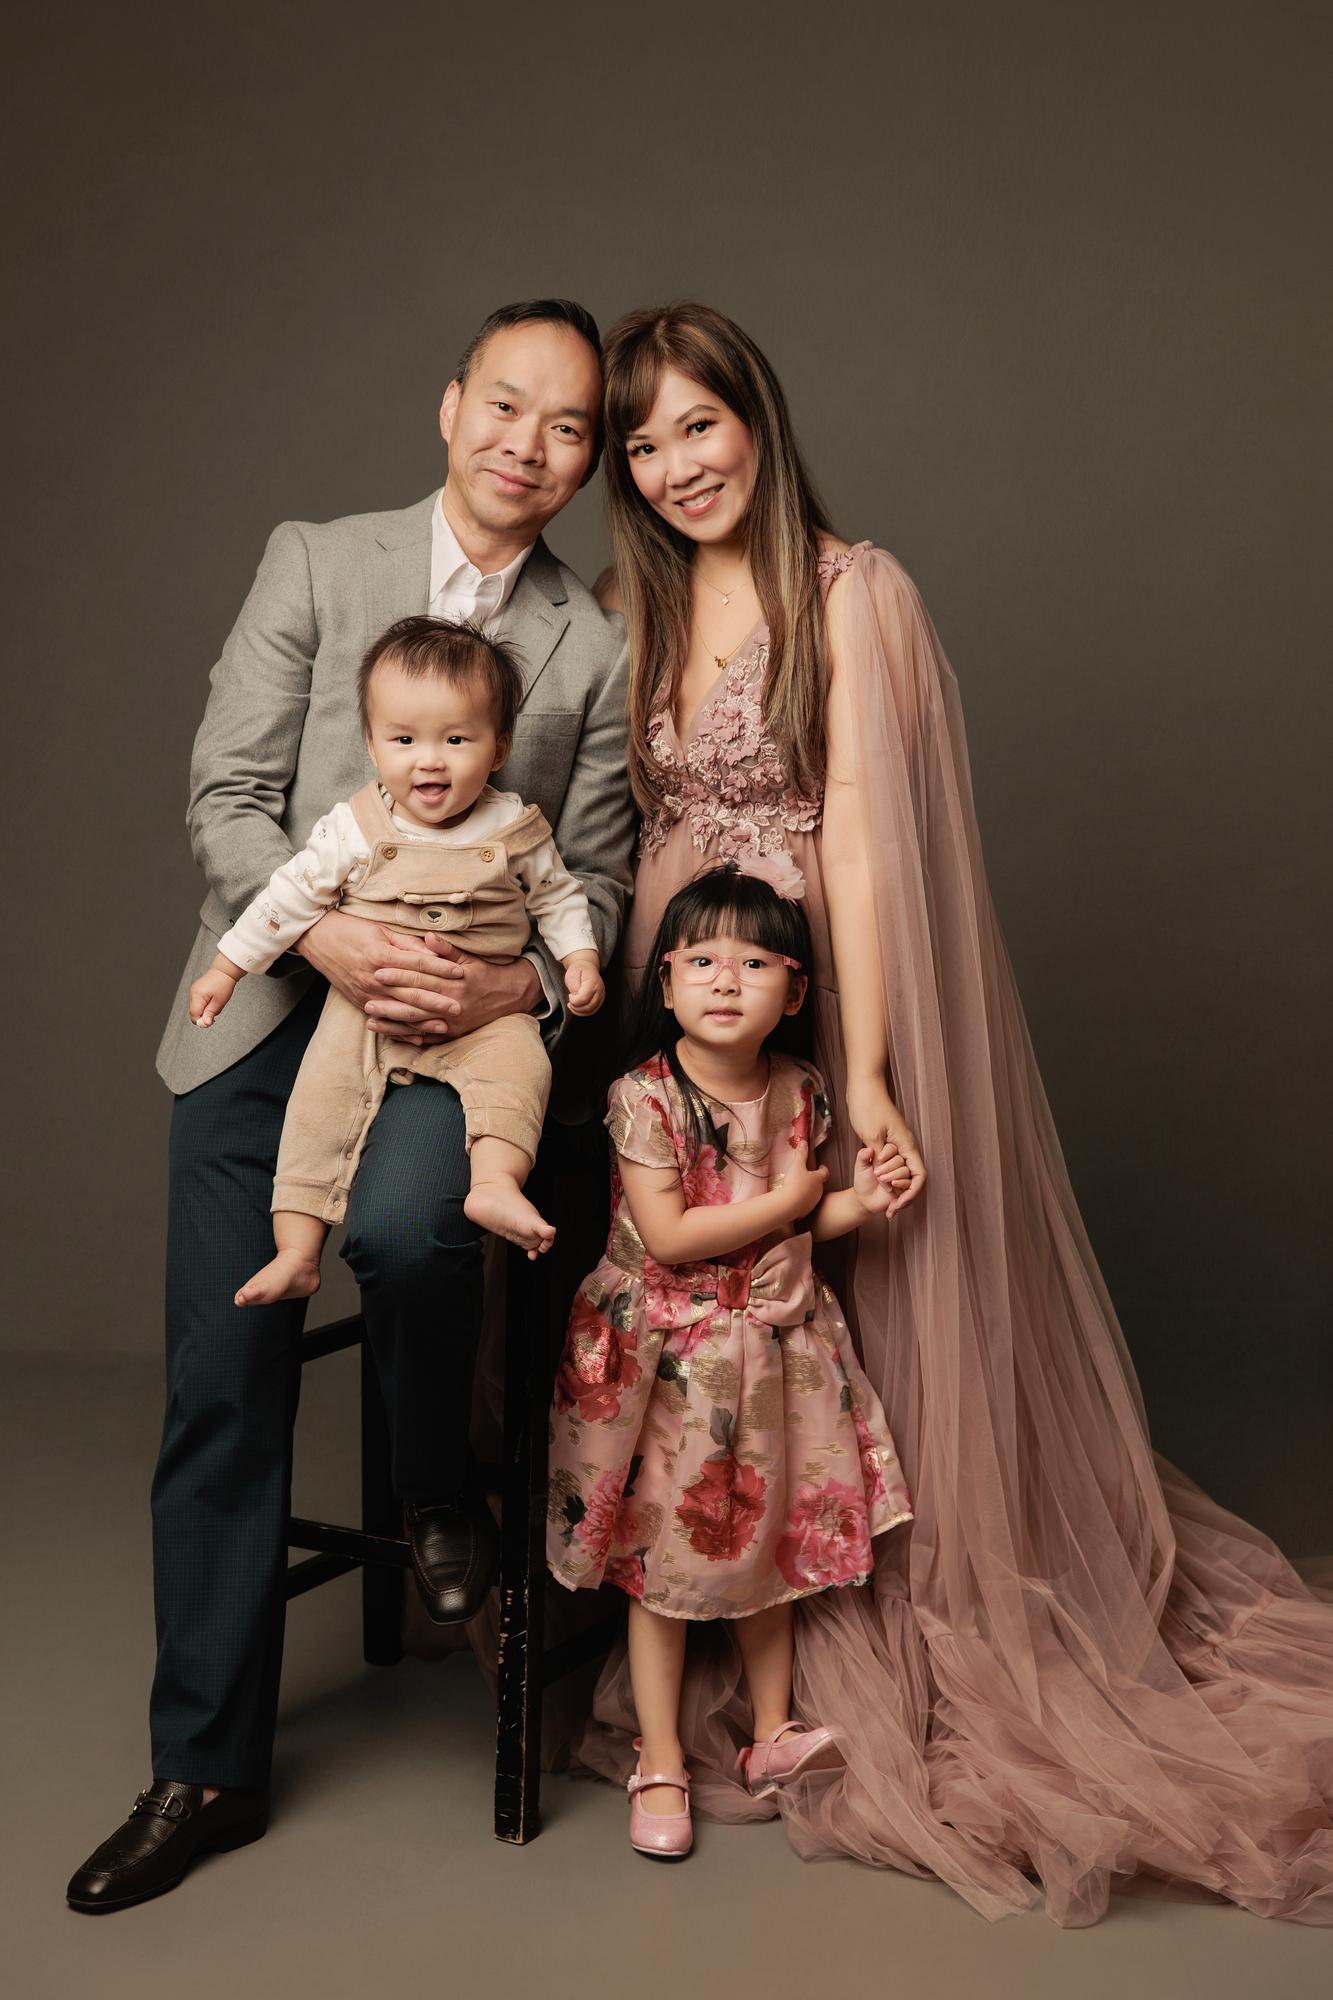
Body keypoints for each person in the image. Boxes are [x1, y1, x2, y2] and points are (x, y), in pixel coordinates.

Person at [578, 300, 1333, 1923]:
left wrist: (858, 1074)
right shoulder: (626, 599)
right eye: (640, 444)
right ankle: (687, 1575)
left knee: (816, 1315)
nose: (672, 465)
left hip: (804, 988)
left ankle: (832, 1615)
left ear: (755, 419)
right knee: (693, 1316)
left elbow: (855, 833)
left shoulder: (851, 589)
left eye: (695, 425)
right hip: (668, 1009)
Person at [66, 300, 635, 1915]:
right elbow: (225, 794)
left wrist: (496, 991)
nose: (532, 445)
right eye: (507, 407)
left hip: (455, 1032)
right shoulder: (316, 559)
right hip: (270, 1009)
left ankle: (440, 1499)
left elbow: (585, 882)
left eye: (571, 427)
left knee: (403, 1228)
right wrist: (322, 932)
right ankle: (204, 1766)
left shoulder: (584, 647)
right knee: (224, 1372)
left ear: (589, 462)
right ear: (450, 407)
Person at [547, 864, 913, 1858]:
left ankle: (768, 1730)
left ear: (792, 991)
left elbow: (812, 1221)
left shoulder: (801, 1091)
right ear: (662, 984)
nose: (723, 978)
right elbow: (670, 1234)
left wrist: (858, 1200)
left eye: (754, 962)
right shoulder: (643, 1096)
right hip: (668, 1356)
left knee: (770, 1542)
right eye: (699, 959)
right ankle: (658, 1754)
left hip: (770, 1351)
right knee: (658, 1560)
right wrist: (796, 1200)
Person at [191, 615, 605, 1298]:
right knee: (319, 1106)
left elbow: (559, 900)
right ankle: (297, 1251)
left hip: (482, 1016)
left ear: (499, 747)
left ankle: (494, 1184)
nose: (429, 760)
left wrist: (579, 960)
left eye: (456, 739)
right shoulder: (354, 826)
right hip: (365, 1009)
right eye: (404, 740)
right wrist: (226, 967)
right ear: (372, 744)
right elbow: (286, 897)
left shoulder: (515, 828)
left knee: (519, 1069)